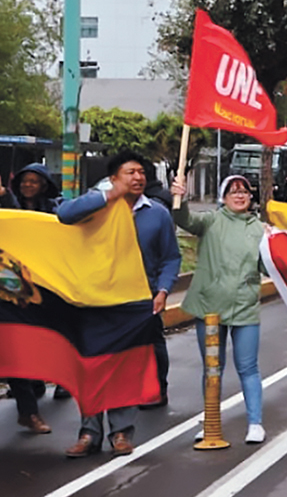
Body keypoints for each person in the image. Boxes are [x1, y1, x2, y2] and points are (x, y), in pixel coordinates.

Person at [58, 150, 181, 457]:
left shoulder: (157, 213)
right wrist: (109, 196)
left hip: (136, 302)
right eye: (130, 172)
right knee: (91, 366)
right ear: (113, 178)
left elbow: (171, 257)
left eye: (141, 172)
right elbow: (64, 214)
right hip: (93, 299)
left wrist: (164, 290)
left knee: (125, 366)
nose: (138, 177)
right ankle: (89, 432)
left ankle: (121, 433)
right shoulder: (95, 204)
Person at [171, 174, 268, 444]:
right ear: (223, 197)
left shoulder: (260, 229)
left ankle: (255, 422)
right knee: (212, 368)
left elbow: (268, 268)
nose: (239, 196)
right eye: (233, 191)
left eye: (245, 192)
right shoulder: (211, 221)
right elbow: (184, 220)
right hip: (210, 308)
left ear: (251, 198)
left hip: (245, 307)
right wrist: (179, 197)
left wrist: (276, 245)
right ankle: (211, 419)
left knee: (248, 367)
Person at [0, 162, 63, 434]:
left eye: (34, 181)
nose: (28, 185)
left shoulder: (52, 210)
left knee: (21, 344)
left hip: (28, 289)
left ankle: (31, 408)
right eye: (24, 180)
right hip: (9, 287)